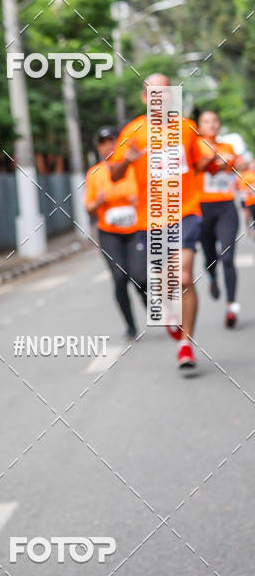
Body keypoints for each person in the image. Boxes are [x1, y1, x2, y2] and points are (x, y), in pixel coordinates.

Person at [110, 74, 210, 370]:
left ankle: (185, 345)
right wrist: (127, 160)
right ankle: (171, 314)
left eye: (165, 92)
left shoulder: (187, 128)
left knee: (183, 278)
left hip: (186, 211)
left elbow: (201, 160)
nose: (160, 97)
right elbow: (114, 175)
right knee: (165, 285)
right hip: (151, 219)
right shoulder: (134, 131)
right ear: (144, 98)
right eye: (153, 92)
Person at [84, 126, 146, 339]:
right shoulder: (95, 173)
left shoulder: (132, 167)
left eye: (111, 141)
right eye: (103, 142)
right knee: (120, 277)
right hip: (110, 233)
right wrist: (98, 202)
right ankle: (130, 325)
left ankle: (148, 302)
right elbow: (88, 207)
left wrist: (139, 201)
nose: (108, 146)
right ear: (99, 147)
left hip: (135, 230)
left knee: (141, 277)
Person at [197, 110, 243, 327]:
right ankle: (212, 277)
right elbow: (199, 167)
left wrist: (216, 160)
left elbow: (226, 166)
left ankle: (231, 306)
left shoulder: (228, 148)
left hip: (226, 207)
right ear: (200, 125)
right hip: (202, 208)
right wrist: (208, 159)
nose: (212, 124)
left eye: (215, 120)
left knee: (228, 256)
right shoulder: (194, 147)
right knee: (210, 256)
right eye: (207, 121)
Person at [238, 158, 255, 236]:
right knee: (248, 215)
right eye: (252, 164)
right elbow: (242, 188)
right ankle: (248, 229)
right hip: (247, 199)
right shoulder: (246, 175)